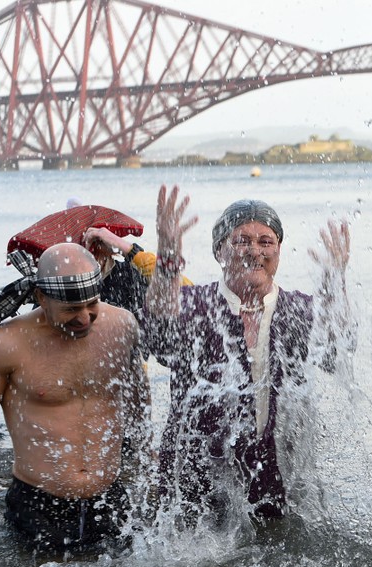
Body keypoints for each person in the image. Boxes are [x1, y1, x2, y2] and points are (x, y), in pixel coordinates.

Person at [144, 185, 352, 526]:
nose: (254, 251)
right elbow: (159, 334)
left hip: (276, 476)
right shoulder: (195, 305)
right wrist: (167, 257)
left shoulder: (299, 310)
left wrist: (336, 279)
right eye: (241, 240)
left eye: (265, 242)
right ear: (219, 251)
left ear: (278, 251)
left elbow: (337, 351)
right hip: (197, 483)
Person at [0, 243, 150, 553]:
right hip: (39, 505)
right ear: (41, 298)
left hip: (109, 499)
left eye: (92, 304)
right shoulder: (3, 345)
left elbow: (139, 401)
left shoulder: (122, 326)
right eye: (71, 309)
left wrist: (146, 462)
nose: (84, 318)